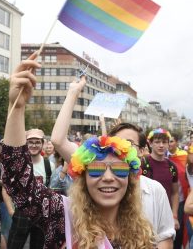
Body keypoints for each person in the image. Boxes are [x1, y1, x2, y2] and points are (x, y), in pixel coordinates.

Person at [0, 55, 156, 248]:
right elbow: (19, 181)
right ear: (83, 179)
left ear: (130, 180)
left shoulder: (142, 233)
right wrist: (17, 107)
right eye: (97, 169)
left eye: (119, 169)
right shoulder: (62, 217)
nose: (108, 177)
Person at [51, 75, 175, 248]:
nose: (108, 177)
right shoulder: (97, 169)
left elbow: (165, 236)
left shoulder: (154, 190)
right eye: (115, 143)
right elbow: (58, 140)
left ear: (140, 151)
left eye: (128, 145)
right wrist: (72, 94)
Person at [7, 127, 55, 249]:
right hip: (21, 213)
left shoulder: (49, 165)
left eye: (37, 142)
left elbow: (52, 191)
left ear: (43, 144)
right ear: (26, 143)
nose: (34, 145)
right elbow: (5, 188)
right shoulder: (18, 164)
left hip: (41, 215)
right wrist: (11, 211)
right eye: (30, 142)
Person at [141, 128, 179, 229]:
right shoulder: (142, 164)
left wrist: (174, 216)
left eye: (164, 142)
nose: (161, 145)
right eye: (157, 142)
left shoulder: (172, 167)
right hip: (145, 215)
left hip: (166, 215)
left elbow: (175, 193)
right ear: (150, 143)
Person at [168, 133, 189, 249]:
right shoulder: (162, 157)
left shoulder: (183, 156)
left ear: (176, 142)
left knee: (178, 230)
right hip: (165, 200)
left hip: (180, 200)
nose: (169, 144)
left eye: (171, 141)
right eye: (168, 141)